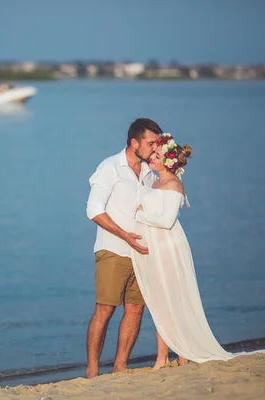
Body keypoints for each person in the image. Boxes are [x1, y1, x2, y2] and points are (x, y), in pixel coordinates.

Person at [131, 133, 233, 370]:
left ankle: (168, 357)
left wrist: (139, 214)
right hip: (155, 247)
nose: (152, 158)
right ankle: (175, 355)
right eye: (153, 154)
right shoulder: (155, 182)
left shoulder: (174, 185)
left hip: (168, 247)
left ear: (168, 162)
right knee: (161, 302)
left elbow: (167, 221)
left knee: (168, 301)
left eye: (156, 156)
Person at [85, 118, 162, 378]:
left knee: (135, 309)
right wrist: (124, 235)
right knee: (105, 309)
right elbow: (94, 209)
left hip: (142, 253)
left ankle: (120, 366)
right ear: (134, 142)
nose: (155, 148)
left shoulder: (152, 171)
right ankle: (93, 369)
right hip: (113, 249)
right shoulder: (110, 167)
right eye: (151, 143)